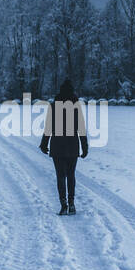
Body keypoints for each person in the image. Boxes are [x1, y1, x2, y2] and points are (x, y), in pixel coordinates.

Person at [40, 78, 89, 215]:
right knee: (71, 175)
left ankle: (63, 204)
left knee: (60, 176)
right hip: (72, 146)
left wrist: (44, 144)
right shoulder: (76, 106)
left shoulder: (54, 105)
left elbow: (49, 127)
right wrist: (85, 147)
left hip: (57, 146)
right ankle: (72, 203)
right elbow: (81, 128)